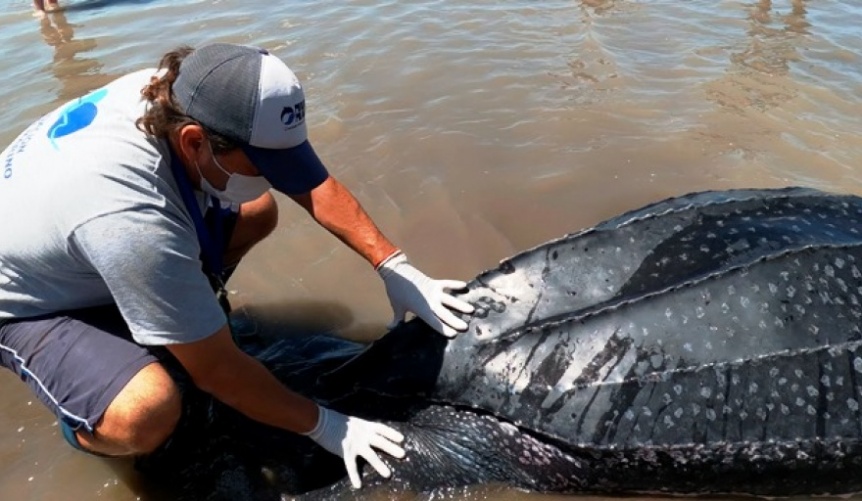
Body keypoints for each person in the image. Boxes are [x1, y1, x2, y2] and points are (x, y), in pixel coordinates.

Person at [0, 43, 475, 489]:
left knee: (256, 211)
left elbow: (311, 183)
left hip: (82, 243)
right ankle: (88, 422)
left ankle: (176, 319)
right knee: (148, 411)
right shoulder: (129, 220)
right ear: (193, 142)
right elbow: (218, 375)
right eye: (263, 164)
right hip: (27, 300)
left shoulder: (183, 90)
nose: (276, 175)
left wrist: (393, 265)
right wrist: (328, 425)